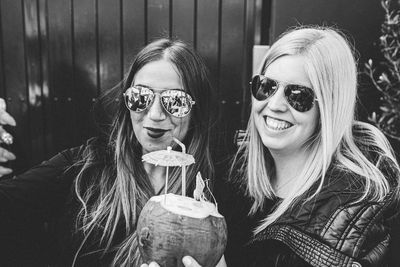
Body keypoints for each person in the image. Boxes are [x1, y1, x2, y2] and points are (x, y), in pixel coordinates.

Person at [0, 38, 220, 266]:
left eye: (175, 101)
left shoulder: (215, 189)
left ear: (196, 109)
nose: (155, 114)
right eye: (140, 97)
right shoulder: (84, 166)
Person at [217, 26, 400, 267]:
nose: (275, 104)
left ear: (328, 108)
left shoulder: (358, 213)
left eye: (298, 95)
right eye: (266, 86)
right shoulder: (234, 174)